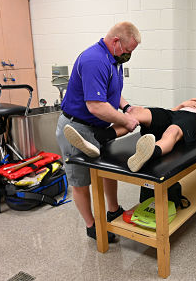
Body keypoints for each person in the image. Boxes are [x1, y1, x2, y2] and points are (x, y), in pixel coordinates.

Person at [56, 22, 141, 243]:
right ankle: (92, 225)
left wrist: (127, 108)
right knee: (81, 181)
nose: (129, 55)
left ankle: (113, 210)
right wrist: (127, 120)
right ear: (115, 42)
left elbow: (113, 92)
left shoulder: (114, 58)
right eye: (128, 50)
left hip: (99, 126)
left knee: (107, 171)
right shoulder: (94, 60)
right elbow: (96, 105)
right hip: (77, 126)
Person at [63, 95, 196, 172]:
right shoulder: (191, 104)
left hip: (195, 121)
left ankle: (149, 153)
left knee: (172, 131)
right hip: (175, 113)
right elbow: (171, 114)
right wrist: (182, 104)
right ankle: (97, 139)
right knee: (139, 113)